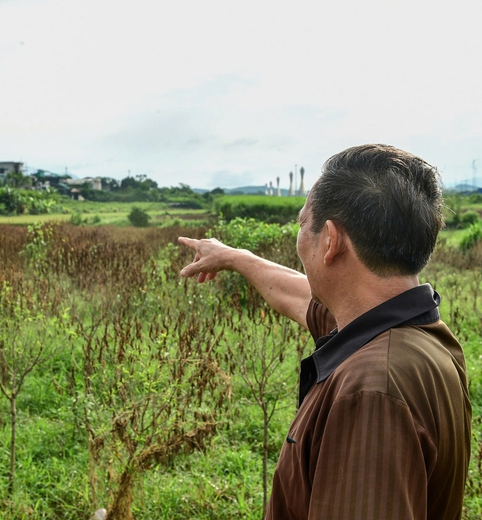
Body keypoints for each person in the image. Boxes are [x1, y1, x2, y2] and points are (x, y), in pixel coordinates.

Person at [178, 144, 471, 519]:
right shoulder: (420, 336)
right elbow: (300, 297)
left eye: (303, 224)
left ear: (330, 240)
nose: (300, 236)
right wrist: (236, 258)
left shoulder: (370, 391)